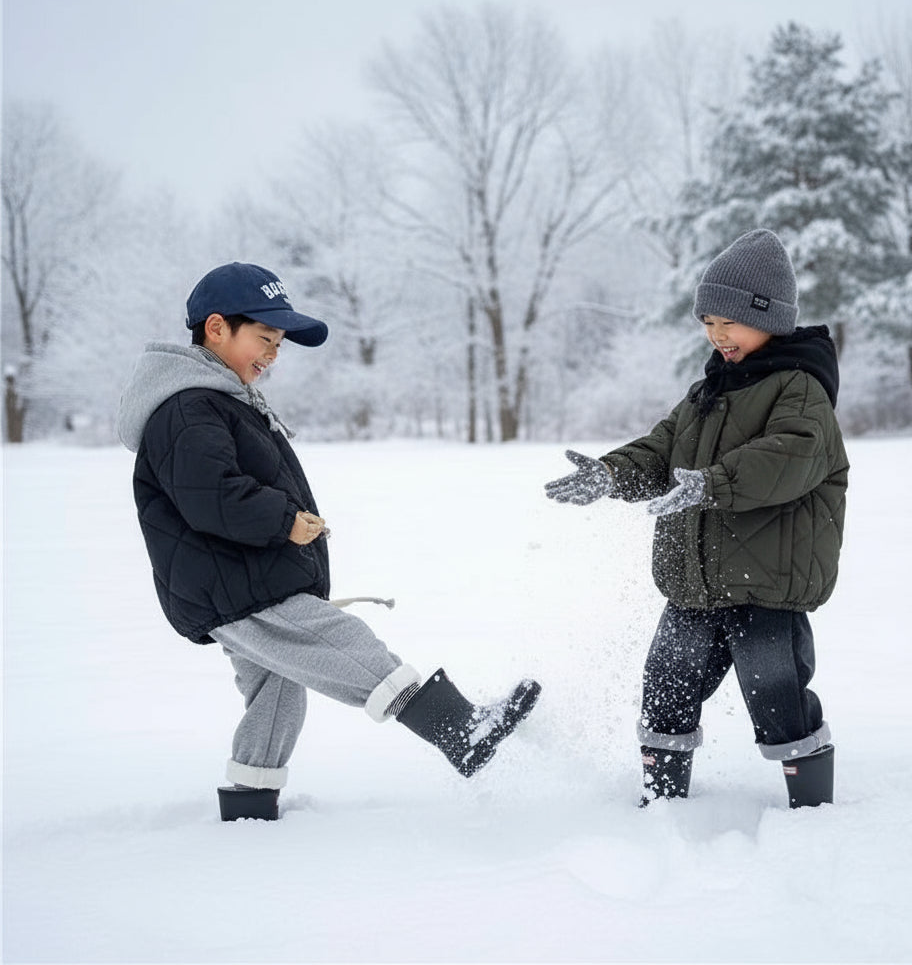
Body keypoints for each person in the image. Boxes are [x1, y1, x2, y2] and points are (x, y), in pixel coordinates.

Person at [117, 262, 540, 821]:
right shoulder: (187, 406)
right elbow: (209, 495)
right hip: (239, 583)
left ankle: (250, 799)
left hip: (234, 578)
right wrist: (283, 520)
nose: (272, 355)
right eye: (264, 339)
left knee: (276, 686)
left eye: (279, 344)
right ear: (216, 329)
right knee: (342, 642)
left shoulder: (215, 398)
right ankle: (459, 729)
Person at [544, 229, 848, 809]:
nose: (717, 334)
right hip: (695, 583)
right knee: (665, 684)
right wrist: (612, 474)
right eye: (708, 322)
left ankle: (811, 811)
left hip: (767, 586)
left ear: (770, 317)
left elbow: (788, 458)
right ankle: (663, 802)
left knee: (777, 695)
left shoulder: (801, 390)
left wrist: (709, 485)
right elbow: (663, 449)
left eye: (728, 321)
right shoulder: (708, 391)